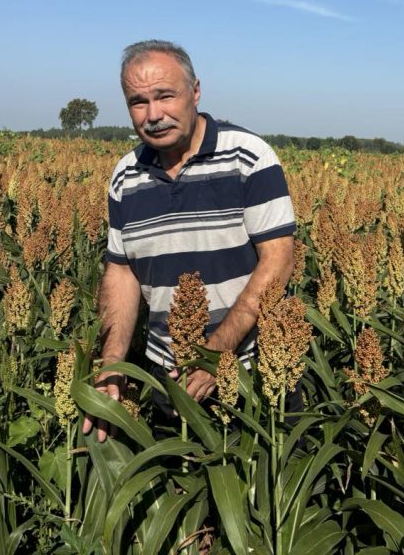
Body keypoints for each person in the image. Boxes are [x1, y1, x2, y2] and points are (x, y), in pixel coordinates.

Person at [82, 40, 296, 442]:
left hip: (257, 374)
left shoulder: (248, 157)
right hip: (169, 378)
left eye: (165, 95)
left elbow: (278, 262)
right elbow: (121, 273)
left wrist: (215, 355)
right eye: (138, 102)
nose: (154, 115)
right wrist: (111, 364)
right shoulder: (126, 176)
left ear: (195, 91)